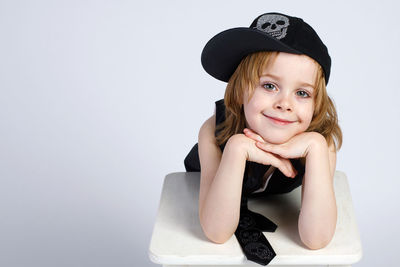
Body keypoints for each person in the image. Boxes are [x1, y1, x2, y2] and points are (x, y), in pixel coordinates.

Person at [184, 11, 343, 255]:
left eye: (302, 93)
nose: (285, 104)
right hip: (219, 186)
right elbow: (216, 232)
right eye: (269, 86)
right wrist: (236, 149)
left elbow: (316, 239)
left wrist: (317, 147)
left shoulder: (321, 142)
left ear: (316, 104)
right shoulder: (213, 132)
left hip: (279, 193)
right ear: (239, 91)